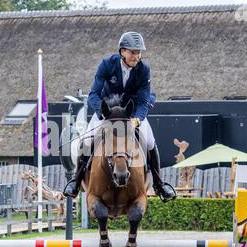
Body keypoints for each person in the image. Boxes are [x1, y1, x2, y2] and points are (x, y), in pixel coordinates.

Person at [63, 31, 176, 202]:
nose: (136, 56)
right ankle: (76, 181)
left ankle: (159, 185)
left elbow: (145, 99)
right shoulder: (107, 64)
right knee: (86, 141)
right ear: (122, 51)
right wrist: (104, 115)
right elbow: (93, 94)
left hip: (132, 112)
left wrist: (137, 119)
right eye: (132, 52)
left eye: (139, 52)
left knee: (150, 142)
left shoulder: (144, 69)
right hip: (108, 111)